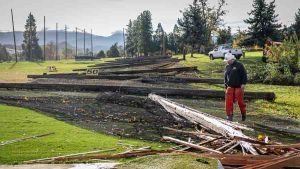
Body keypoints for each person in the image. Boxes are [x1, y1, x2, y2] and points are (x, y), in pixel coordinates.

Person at [224, 53, 247, 121]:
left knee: (240, 101)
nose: (227, 62)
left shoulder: (239, 65)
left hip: (238, 86)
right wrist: (225, 85)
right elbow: (225, 77)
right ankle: (229, 115)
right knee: (228, 102)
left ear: (232, 59)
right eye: (227, 61)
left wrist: (243, 83)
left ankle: (243, 113)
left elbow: (244, 75)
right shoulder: (227, 67)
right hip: (230, 86)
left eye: (228, 60)